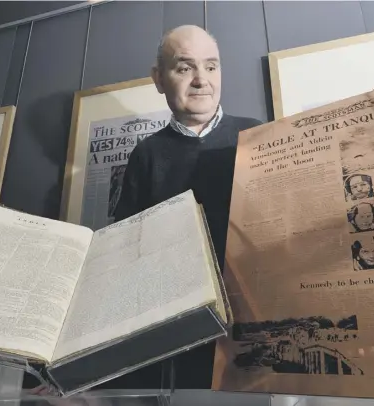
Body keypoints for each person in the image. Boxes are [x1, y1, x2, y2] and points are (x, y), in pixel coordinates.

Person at [111, 25, 263, 389]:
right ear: (158, 78)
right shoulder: (145, 155)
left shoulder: (257, 135)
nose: (201, 80)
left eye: (211, 67)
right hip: (178, 340)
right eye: (185, 68)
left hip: (258, 329)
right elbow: (124, 254)